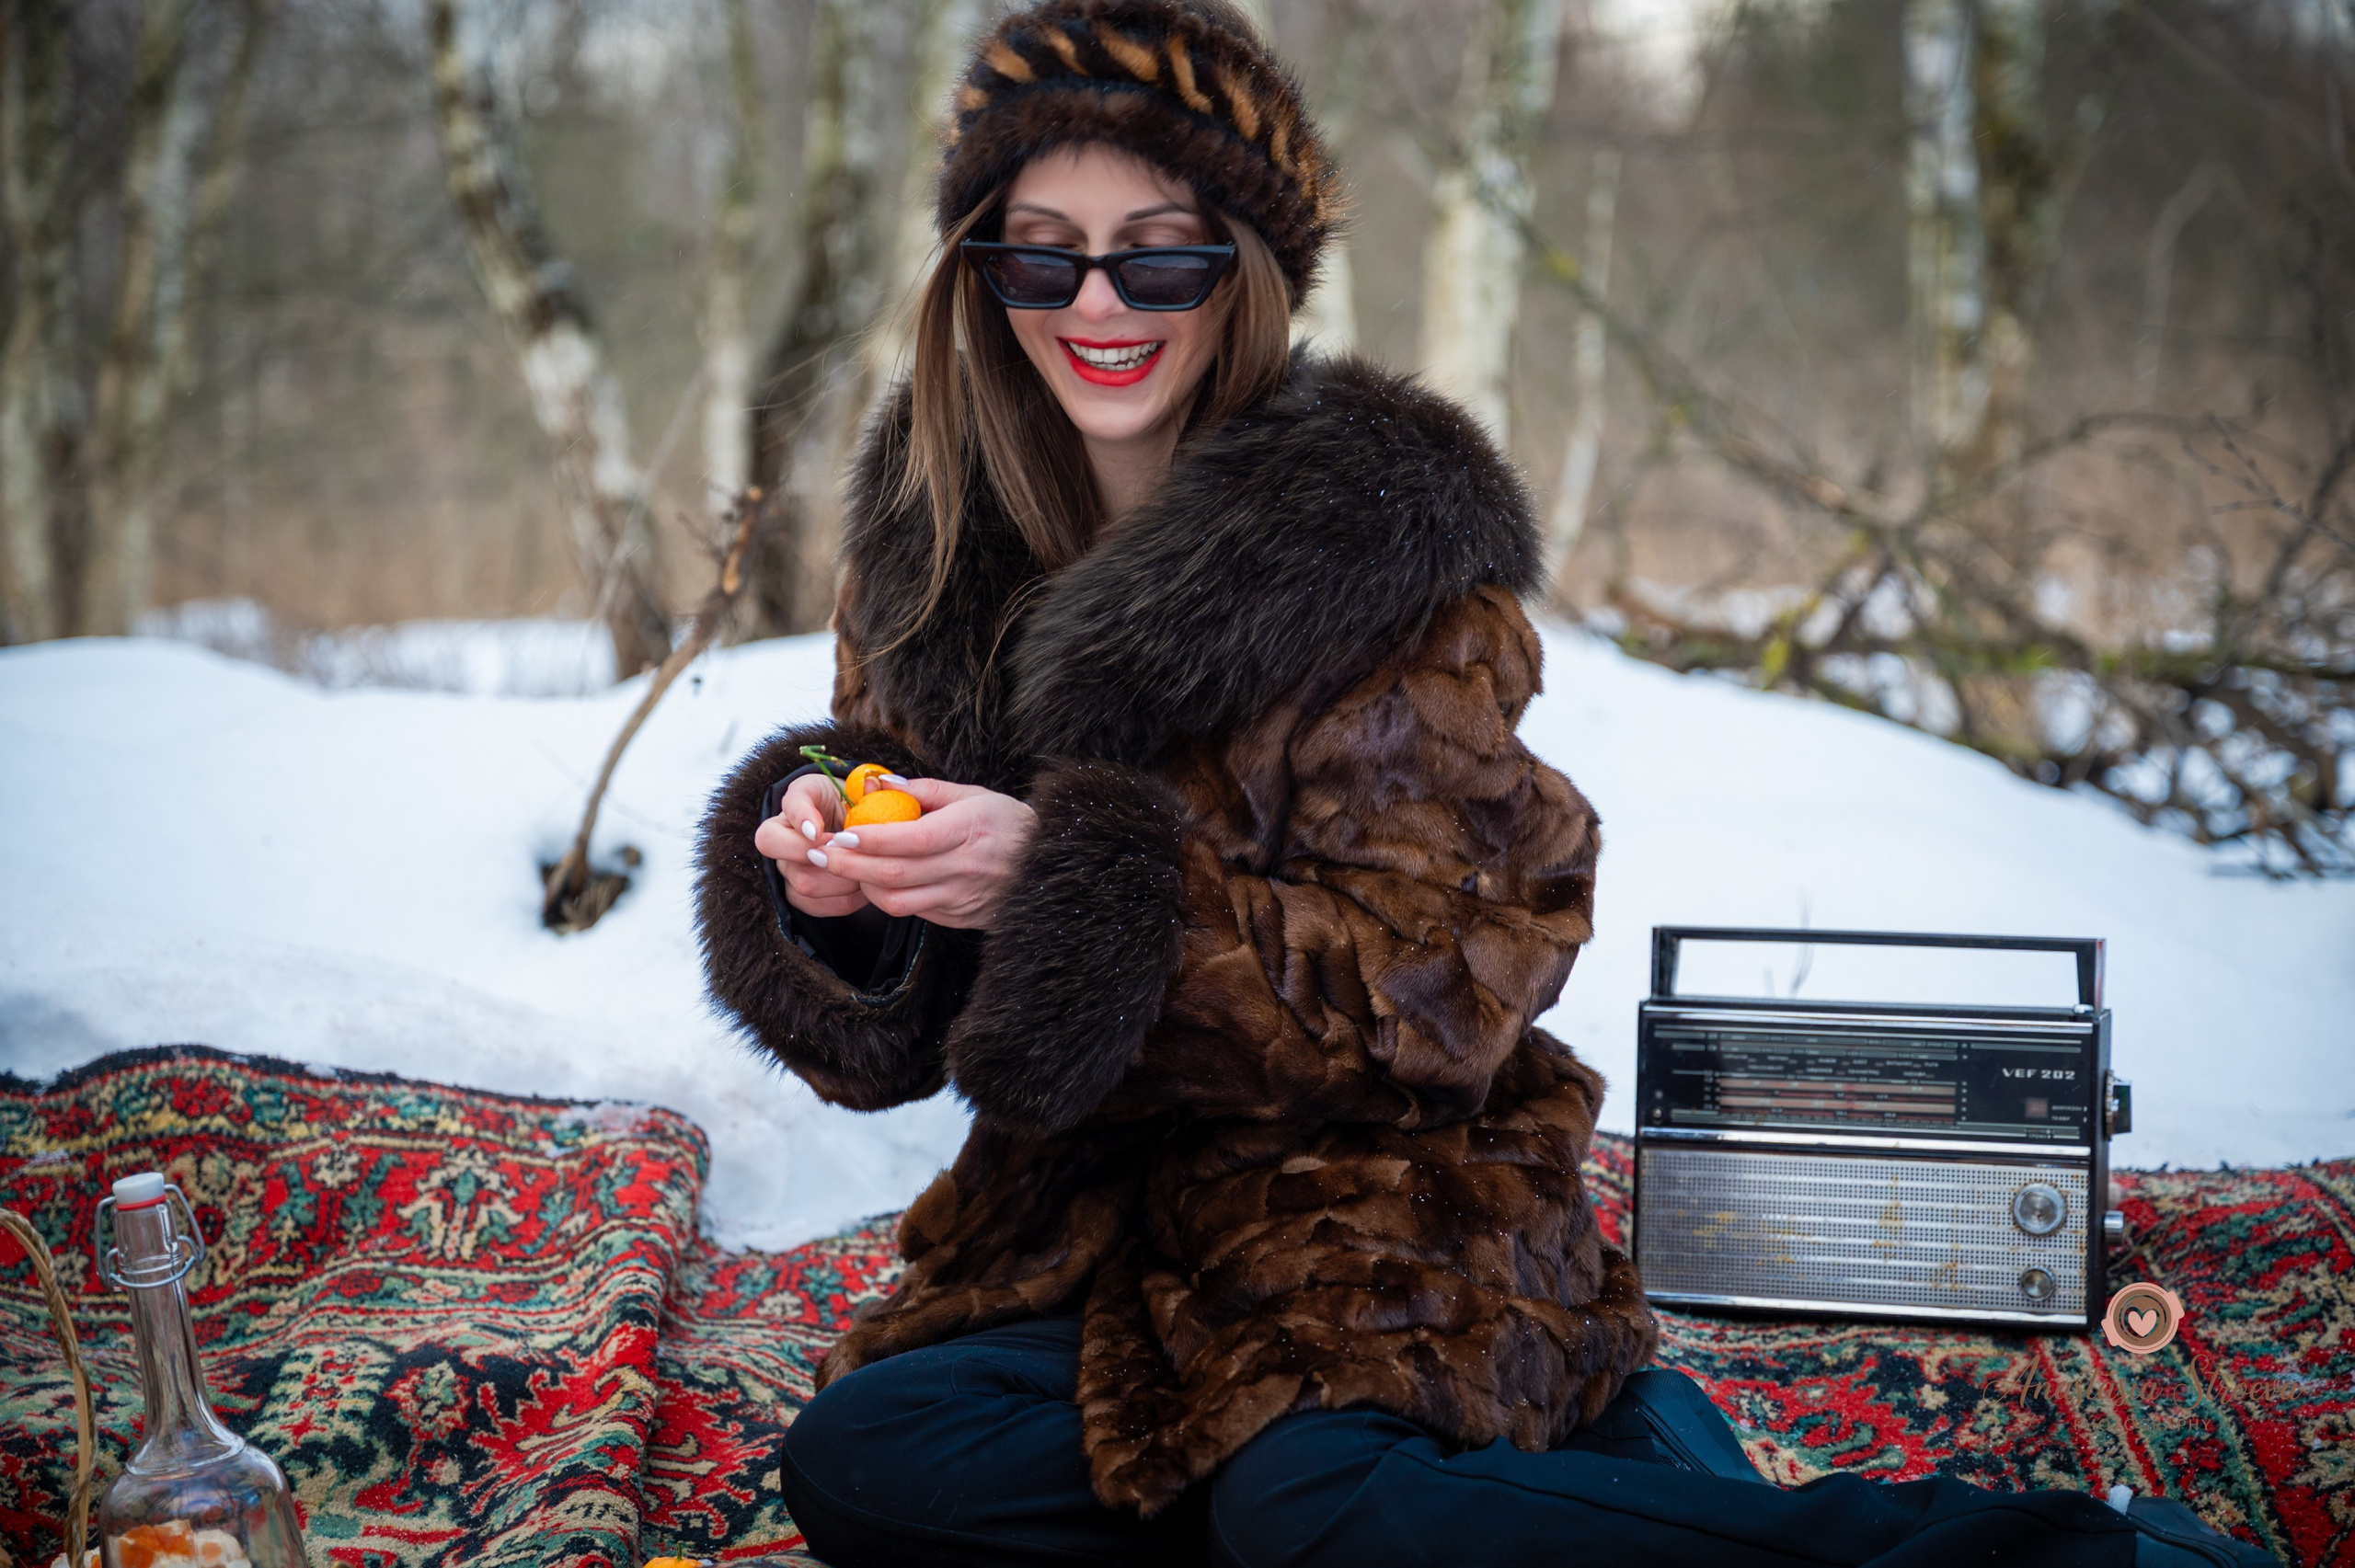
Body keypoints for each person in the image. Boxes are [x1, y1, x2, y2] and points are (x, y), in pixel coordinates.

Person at [692, 5, 2274, 1565]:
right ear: (980, 274)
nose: (1097, 300)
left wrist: (1078, 891)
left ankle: (2071, 1553)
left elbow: (1450, 981)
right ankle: (1566, 1491)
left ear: (1242, 269)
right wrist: (847, 897)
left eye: (1157, 251)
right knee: (869, 1462)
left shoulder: (1380, 555)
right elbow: (915, 1019)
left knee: (1301, 1500)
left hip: (1380, 1205)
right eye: (1040, 253)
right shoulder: (932, 547)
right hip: (1090, 1232)